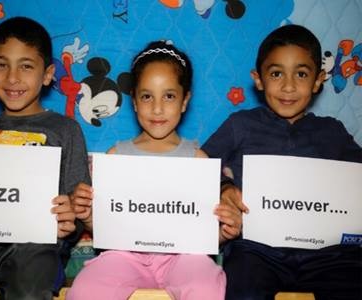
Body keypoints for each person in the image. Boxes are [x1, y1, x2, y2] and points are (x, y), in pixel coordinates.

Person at [202, 24, 362, 300]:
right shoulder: (241, 125)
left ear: (318, 79)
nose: (288, 86)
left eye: (301, 74)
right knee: (242, 286)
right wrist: (225, 187)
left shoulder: (332, 131)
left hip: (328, 253)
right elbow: (201, 165)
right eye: (276, 74)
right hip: (256, 250)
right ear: (259, 79)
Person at [67, 40, 227, 300]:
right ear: (134, 102)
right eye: (146, 96)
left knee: (206, 285)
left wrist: (221, 233)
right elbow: (107, 229)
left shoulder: (198, 159)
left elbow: (203, 233)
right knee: (87, 289)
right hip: (123, 257)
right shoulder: (115, 156)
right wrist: (87, 216)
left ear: (185, 100)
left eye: (169, 96)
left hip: (184, 258)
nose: (157, 108)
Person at [0, 17, 91, 300]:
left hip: (37, 245)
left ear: (47, 74)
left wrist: (71, 221)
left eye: (26, 66)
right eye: (2, 65)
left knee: (32, 285)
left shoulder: (65, 130)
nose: (12, 77)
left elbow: (77, 202)